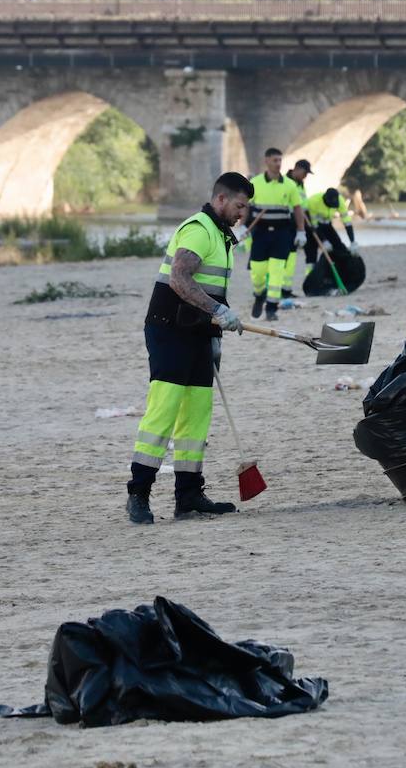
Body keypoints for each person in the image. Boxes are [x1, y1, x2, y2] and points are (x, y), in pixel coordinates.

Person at [126, 172, 254, 525]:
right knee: (163, 413)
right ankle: (138, 494)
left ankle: (188, 496)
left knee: (197, 414)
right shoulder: (199, 229)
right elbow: (179, 278)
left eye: (246, 207)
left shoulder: (223, 236)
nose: (243, 213)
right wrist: (218, 311)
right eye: (240, 206)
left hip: (198, 332)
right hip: (169, 331)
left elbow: (208, 290)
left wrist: (214, 334)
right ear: (221, 200)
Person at [243, 148, 307, 321]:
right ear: (267, 161)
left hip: (282, 233)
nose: (278, 164)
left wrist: (301, 231)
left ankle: (272, 308)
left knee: (277, 271)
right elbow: (246, 207)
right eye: (275, 160)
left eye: (280, 160)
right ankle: (259, 295)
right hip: (260, 233)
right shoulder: (255, 183)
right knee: (257, 272)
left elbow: (297, 209)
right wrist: (242, 226)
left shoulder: (290, 185)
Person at [280, 159, 312, 298]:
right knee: (282, 258)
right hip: (285, 225)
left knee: (291, 259)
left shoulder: (300, 184)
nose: (306, 176)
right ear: (297, 169)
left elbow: (302, 206)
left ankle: (286, 290)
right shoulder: (285, 183)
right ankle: (276, 289)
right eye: (305, 173)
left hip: (297, 226)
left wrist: (304, 228)